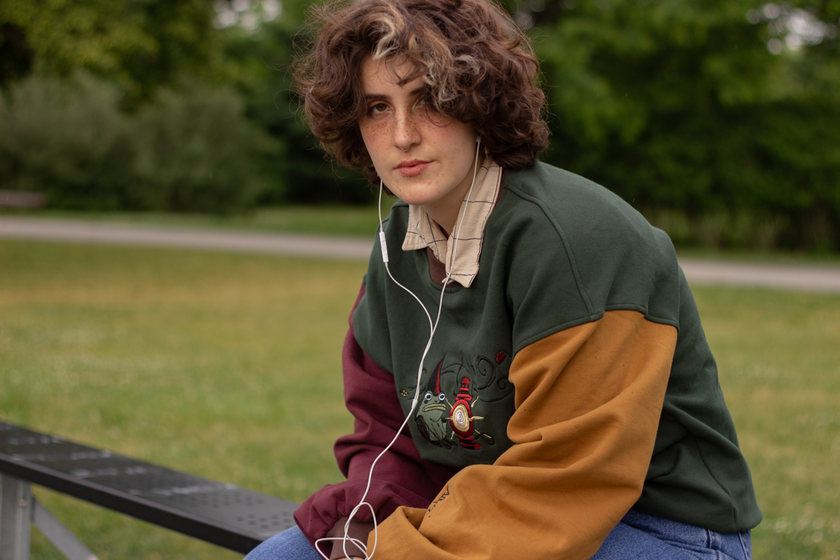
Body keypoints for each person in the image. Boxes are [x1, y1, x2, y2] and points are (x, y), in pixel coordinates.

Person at [245, 0, 761, 558]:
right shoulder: (397, 243)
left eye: (427, 100)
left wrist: (394, 552)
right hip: (479, 505)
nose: (402, 135)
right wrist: (371, 520)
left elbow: (567, 480)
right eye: (376, 107)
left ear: (477, 103)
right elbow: (382, 430)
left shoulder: (575, 237)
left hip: (651, 524)